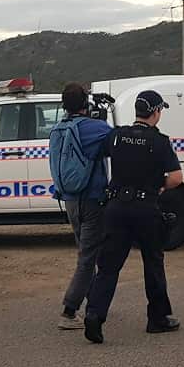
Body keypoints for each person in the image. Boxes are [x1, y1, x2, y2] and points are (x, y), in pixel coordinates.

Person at [83, 90, 183, 344]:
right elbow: (176, 178)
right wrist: (159, 185)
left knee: (108, 267)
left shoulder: (116, 136)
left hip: (116, 207)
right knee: (153, 262)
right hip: (145, 208)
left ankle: (94, 315)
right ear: (156, 112)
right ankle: (157, 318)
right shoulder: (160, 141)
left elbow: (101, 155)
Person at [49, 83, 112, 330]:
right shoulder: (94, 128)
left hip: (70, 200)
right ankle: (69, 310)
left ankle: (94, 304)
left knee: (86, 252)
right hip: (93, 199)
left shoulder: (59, 128)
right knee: (88, 258)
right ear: (85, 103)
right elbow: (111, 145)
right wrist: (104, 120)